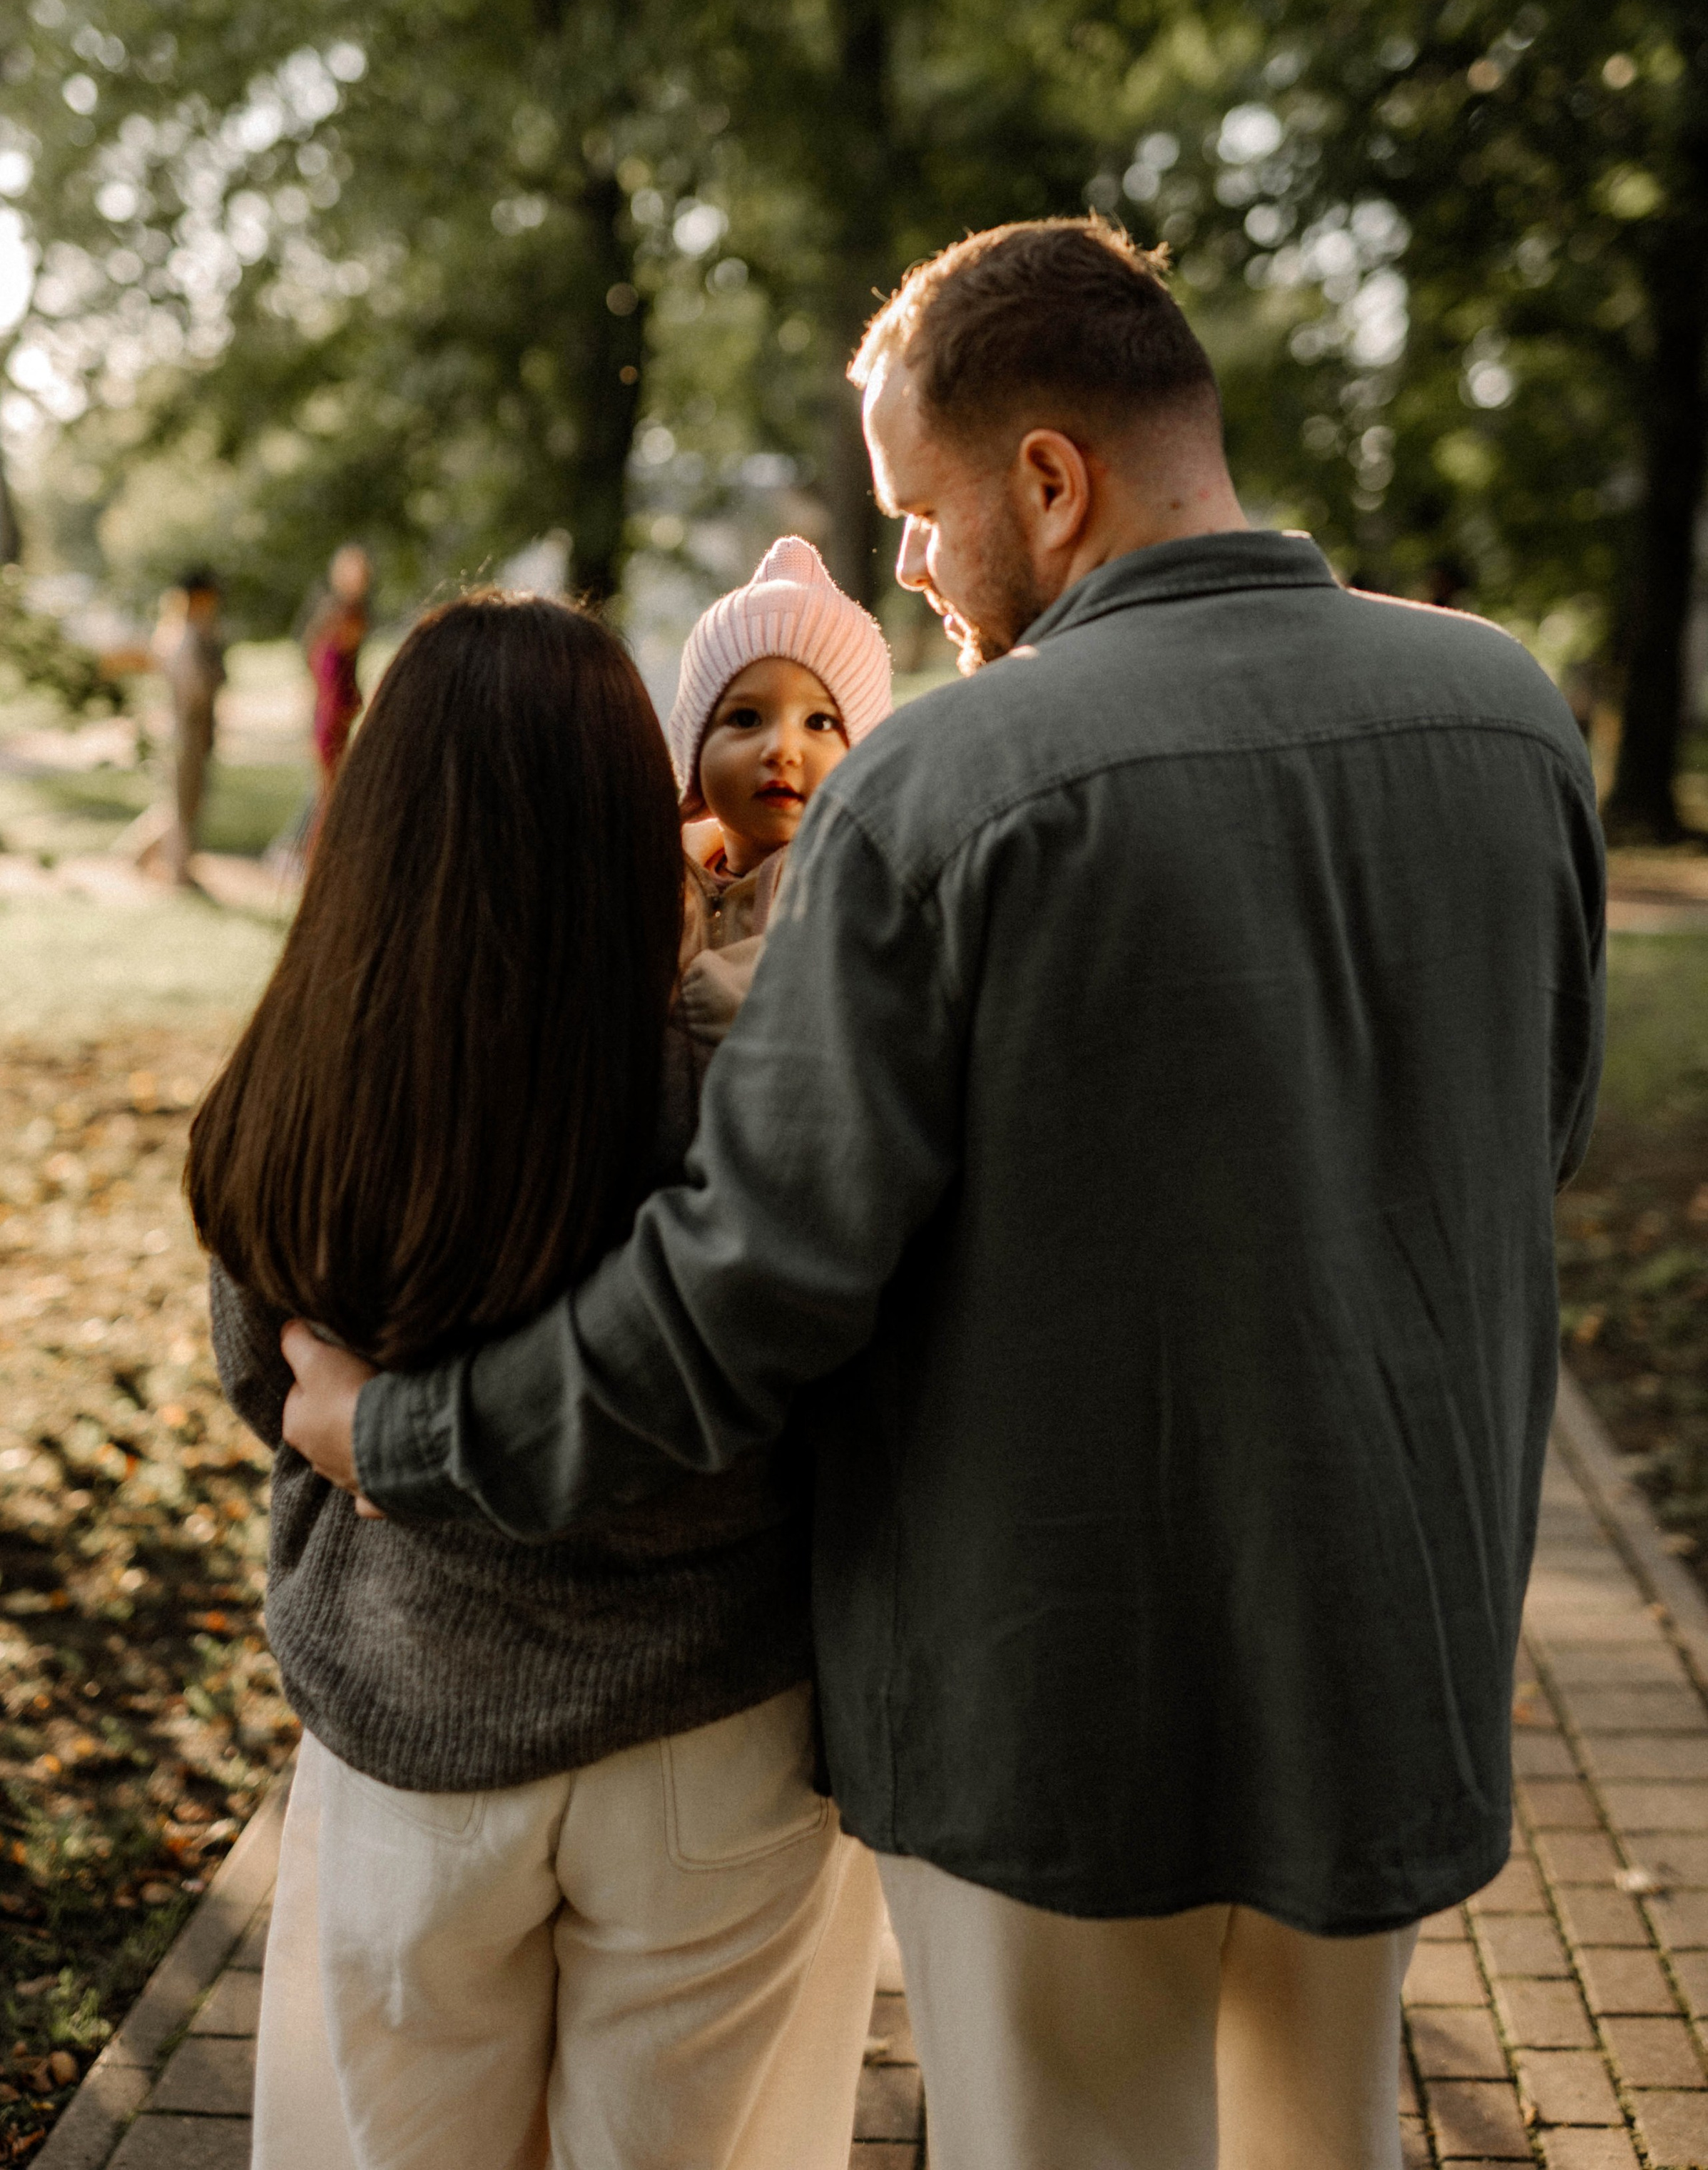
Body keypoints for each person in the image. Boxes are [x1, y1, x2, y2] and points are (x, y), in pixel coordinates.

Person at [283, 219, 1607, 2170]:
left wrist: (413, 1432)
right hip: (1382, 1644)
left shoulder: (957, 783)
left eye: (917, 512)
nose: (903, 563)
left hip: (1048, 1693)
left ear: (1051, 482)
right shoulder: (1510, 723)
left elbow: (747, 1292)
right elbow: (1529, 1134)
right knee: (1325, 2139)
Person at [188, 593, 883, 2170]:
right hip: (712, 1732)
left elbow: (261, 1372)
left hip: (417, 1716)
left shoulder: (314, 1077)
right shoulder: (732, 1090)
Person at [670, 534, 893, 1045]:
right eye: (745, 718)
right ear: (695, 750)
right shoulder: (656, 880)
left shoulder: (858, 892)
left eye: (819, 722)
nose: (783, 750)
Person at [152, 566, 225, 887]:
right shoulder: (184, 635)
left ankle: (141, 857)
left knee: (185, 800)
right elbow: (193, 689)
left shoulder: (198, 632)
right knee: (184, 803)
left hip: (194, 729)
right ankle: (180, 871)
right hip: (184, 730)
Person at [304, 541, 372, 830]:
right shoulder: (339, 616)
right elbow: (327, 672)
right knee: (331, 803)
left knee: (332, 799)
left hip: (333, 719)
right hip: (331, 721)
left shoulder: (348, 613)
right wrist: (342, 708)